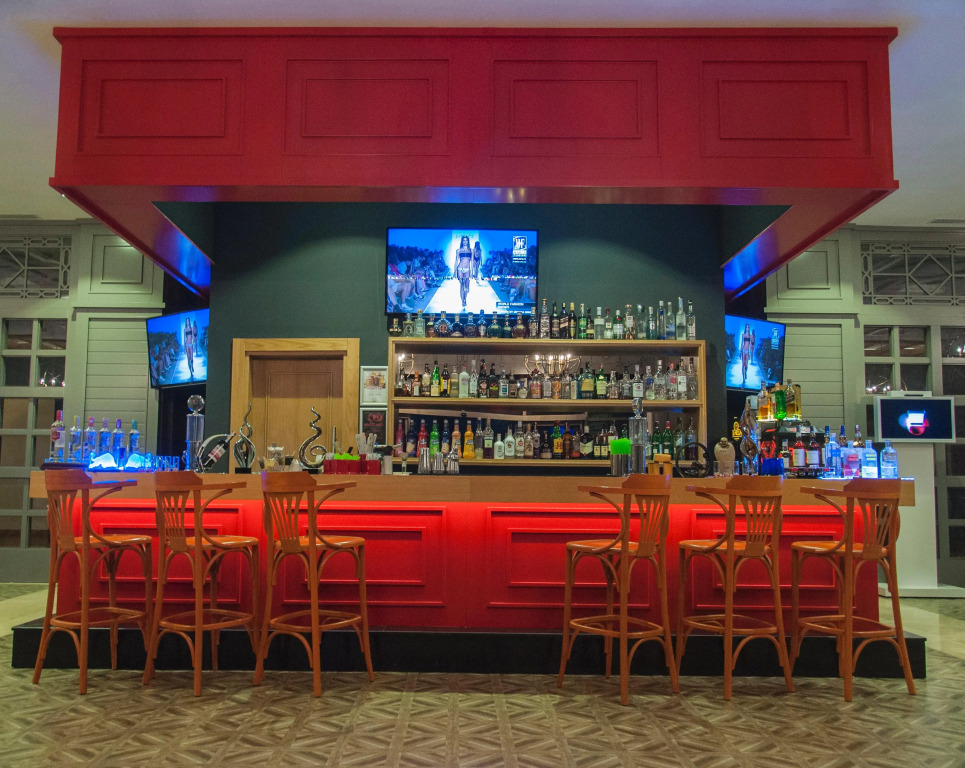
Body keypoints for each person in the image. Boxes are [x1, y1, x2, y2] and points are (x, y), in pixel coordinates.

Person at [455, 236, 473, 308]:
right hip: (460, 268)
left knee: (467, 286)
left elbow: (472, 261)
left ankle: (464, 297)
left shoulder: (471, 250)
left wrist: (472, 272)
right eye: (464, 240)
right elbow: (456, 261)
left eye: (466, 240)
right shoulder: (458, 250)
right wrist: (455, 271)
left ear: (468, 241)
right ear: (462, 242)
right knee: (462, 285)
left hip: (467, 269)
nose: (465, 242)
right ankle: (463, 300)